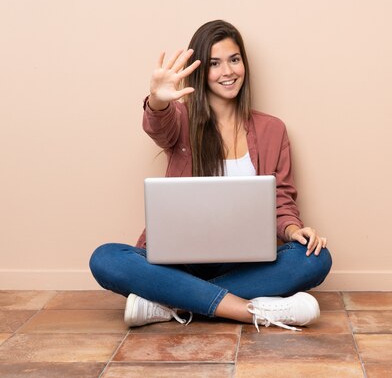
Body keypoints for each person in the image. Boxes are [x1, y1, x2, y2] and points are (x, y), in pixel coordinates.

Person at [89, 20, 332, 331]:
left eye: (234, 59)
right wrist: (159, 99)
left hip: (245, 263)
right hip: (177, 261)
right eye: (215, 64)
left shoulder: (273, 129)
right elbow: (157, 123)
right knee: (105, 258)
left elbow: (281, 201)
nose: (227, 71)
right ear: (200, 71)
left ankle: (170, 301)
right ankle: (250, 310)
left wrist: (295, 229)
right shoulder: (180, 119)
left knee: (316, 257)